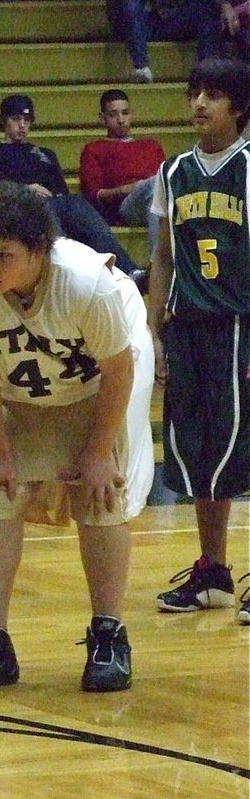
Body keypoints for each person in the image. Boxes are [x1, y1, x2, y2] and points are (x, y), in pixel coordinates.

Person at [0, 181, 153, 694]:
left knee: (99, 494)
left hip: (103, 381)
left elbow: (120, 371)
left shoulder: (86, 283)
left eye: (4, 256)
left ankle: (109, 634)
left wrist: (97, 455)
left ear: (38, 251)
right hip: (23, 387)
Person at [146, 57, 250, 624]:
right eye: (194, 92)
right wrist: (152, 329)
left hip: (239, 326)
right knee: (203, 456)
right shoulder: (173, 172)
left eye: (213, 93)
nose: (199, 103)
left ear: (238, 107)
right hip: (189, 329)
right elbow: (162, 256)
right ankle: (213, 571)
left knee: (245, 450)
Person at [0, 93, 144, 281]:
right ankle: (67, 274)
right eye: (16, 119)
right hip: (17, 207)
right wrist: (24, 190)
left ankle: (128, 270)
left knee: (75, 203)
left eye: (27, 120)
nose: (22, 125)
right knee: (51, 210)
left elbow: (61, 191)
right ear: (4, 122)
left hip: (52, 204)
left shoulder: (45, 154)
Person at [79, 88, 167, 257]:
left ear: (131, 114)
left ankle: (156, 265)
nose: (121, 120)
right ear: (102, 118)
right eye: (113, 115)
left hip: (154, 199)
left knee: (157, 194)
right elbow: (93, 193)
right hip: (125, 205)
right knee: (158, 183)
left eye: (125, 113)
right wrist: (123, 190)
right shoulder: (94, 149)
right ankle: (160, 266)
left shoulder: (151, 146)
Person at [106, 0, 223, 83]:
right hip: (133, 21)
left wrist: (224, 4)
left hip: (166, 16)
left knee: (205, 6)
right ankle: (141, 68)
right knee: (132, 3)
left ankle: (208, 70)